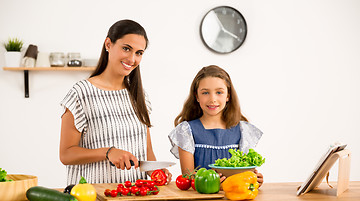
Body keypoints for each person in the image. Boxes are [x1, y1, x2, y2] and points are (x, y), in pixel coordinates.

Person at [59, 19, 172, 185]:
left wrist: (155, 170)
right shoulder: (81, 93)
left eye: (139, 53)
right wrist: (108, 152)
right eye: (126, 48)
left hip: (133, 195)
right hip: (94, 196)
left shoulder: (139, 96)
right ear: (108, 44)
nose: (132, 59)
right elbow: (66, 155)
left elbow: (146, 151)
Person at [168, 65, 263, 186]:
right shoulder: (186, 130)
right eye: (205, 92)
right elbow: (188, 177)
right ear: (196, 96)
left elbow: (244, 173)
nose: (212, 99)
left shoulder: (243, 130)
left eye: (219, 92)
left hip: (234, 200)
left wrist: (254, 179)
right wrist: (210, 181)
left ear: (228, 96)